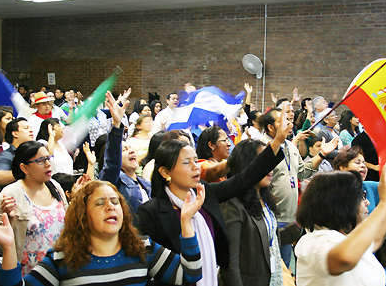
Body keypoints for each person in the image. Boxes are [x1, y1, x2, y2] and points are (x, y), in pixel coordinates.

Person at [137, 104, 290, 286]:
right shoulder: (151, 212)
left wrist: (277, 142)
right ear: (165, 172)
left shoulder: (204, 193)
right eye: (187, 162)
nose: (196, 167)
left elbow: (244, 178)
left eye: (196, 160)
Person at [0, 179, 204, 285]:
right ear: (83, 215)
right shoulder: (61, 260)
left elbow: (191, 275)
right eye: (100, 203)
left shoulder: (143, 249)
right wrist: (8, 248)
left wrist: (186, 221)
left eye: (115, 201)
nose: (110, 207)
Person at [295, 162, 386, 285]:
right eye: (361, 197)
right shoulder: (315, 242)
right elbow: (345, 258)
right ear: (340, 205)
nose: (367, 202)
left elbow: (375, 239)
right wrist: (384, 203)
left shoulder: (346, 239)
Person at [260, 107, 339, 267]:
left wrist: (322, 154)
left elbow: (302, 171)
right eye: (283, 122)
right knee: (270, 266)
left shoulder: (290, 145)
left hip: (290, 216)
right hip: (270, 216)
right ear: (270, 127)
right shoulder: (260, 146)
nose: (289, 124)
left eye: (290, 121)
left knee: (285, 266)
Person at [220, 139, 302, 286]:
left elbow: (267, 242)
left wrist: (299, 226)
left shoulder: (264, 198)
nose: (270, 167)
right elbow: (230, 264)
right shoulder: (232, 204)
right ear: (248, 165)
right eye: (264, 161)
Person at [0, 141, 68, 275]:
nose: (47, 164)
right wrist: (8, 220)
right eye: (41, 160)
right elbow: (2, 246)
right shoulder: (9, 195)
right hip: (29, 273)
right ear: (24, 168)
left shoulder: (55, 186)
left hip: (61, 269)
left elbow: (69, 223)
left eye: (48, 158)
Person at [99, 92, 151, 216]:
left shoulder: (146, 183)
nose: (132, 151)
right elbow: (112, 163)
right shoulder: (114, 181)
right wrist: (117, 125)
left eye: (131, 148)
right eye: (124, 150)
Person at [0, 118, 34, 187]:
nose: (31, 131)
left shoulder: (34, 152)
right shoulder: (6, 155)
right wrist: (26, 171)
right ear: (15, 133)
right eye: (26, 128)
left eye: (31, 128)